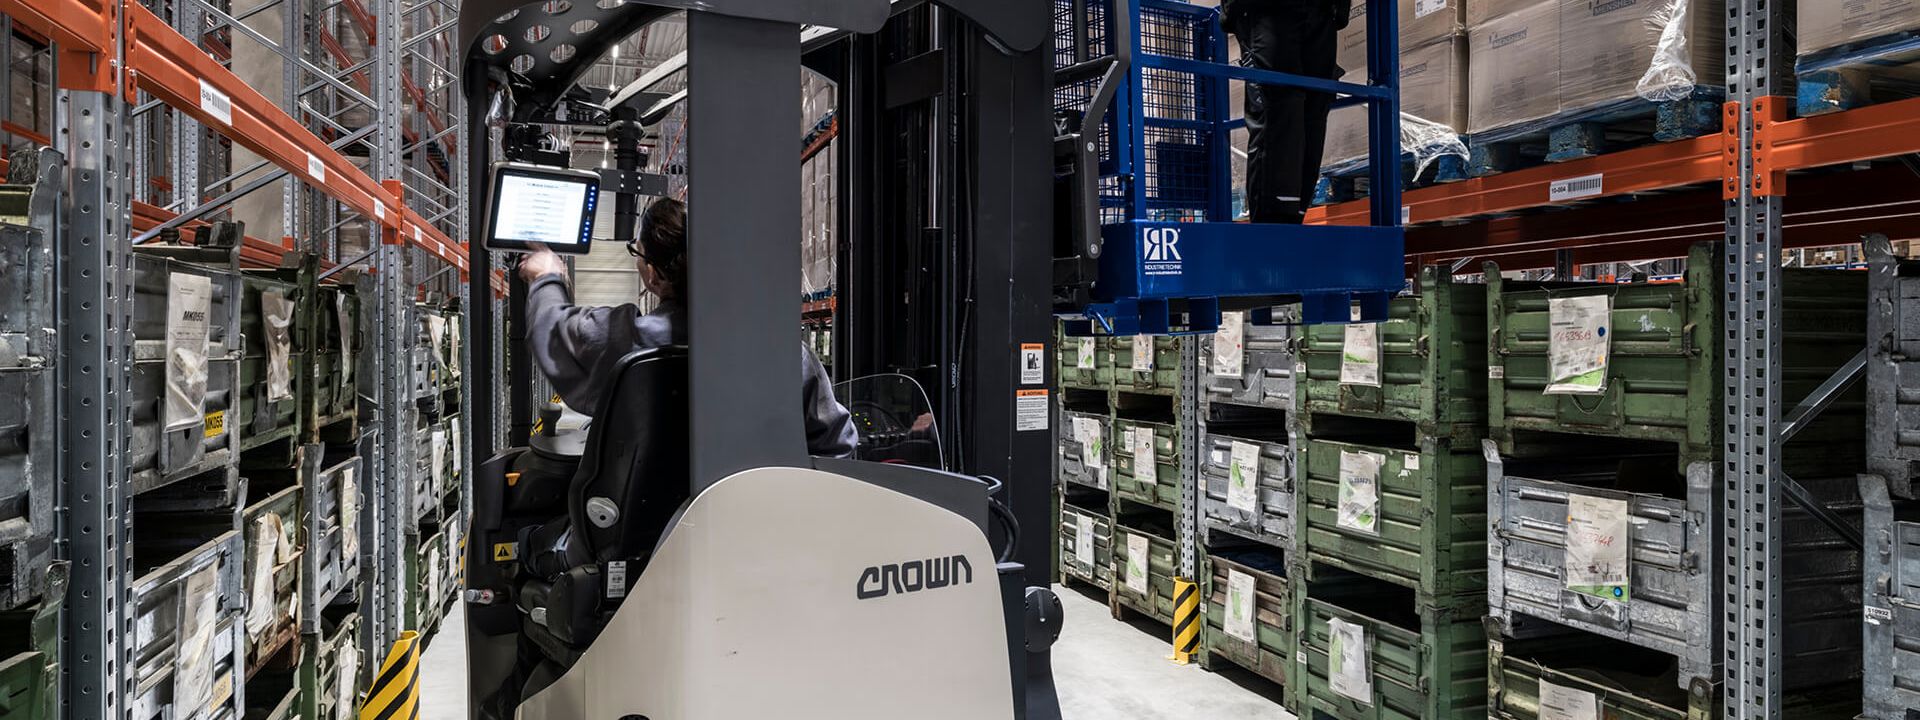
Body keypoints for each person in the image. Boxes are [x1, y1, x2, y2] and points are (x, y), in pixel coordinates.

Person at [517, 196, 859, 457]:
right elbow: (837, 442)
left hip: (650, 534)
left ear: (653, 274)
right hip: (757, 527)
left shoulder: (626, 338)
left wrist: (547, 276)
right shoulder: (783, 351)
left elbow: (553, 329)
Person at [1223, 0, 1350, 224]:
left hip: (1323, 11)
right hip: (1266, 12)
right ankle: (1272, 221)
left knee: (1314, 111)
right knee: (1279, 107)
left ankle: (1295, 214)